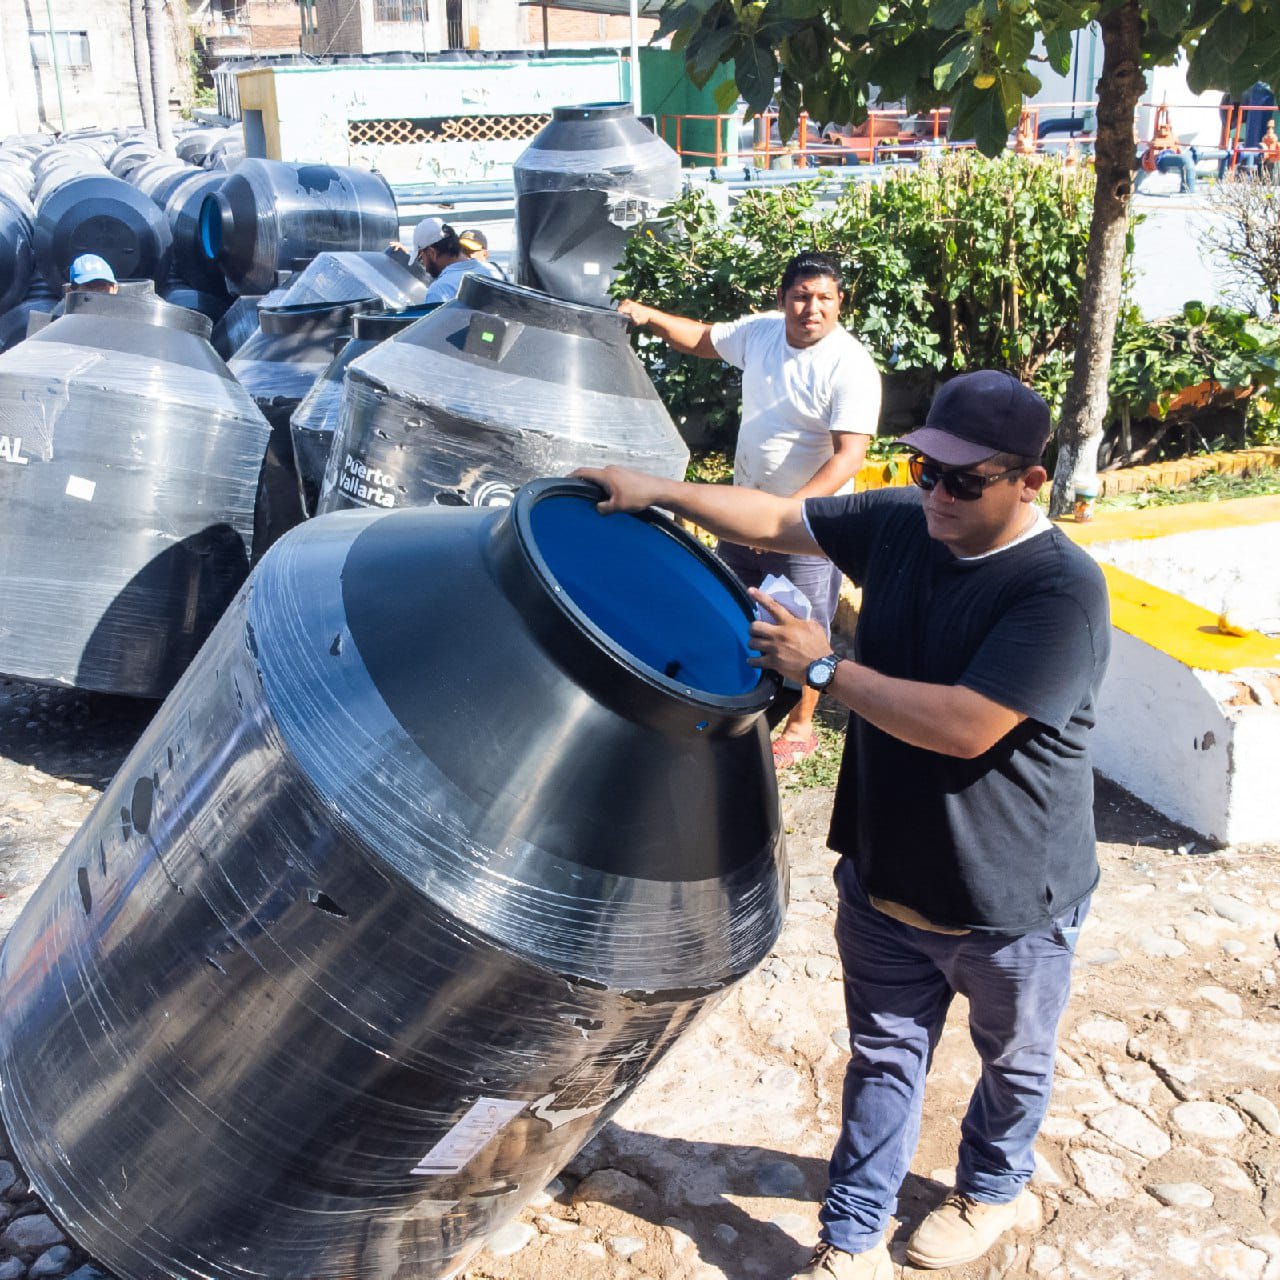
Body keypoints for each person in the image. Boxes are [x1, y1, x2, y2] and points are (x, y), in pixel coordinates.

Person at [576, 369, 1110, 1279]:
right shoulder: (907, 524)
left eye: (963, 480)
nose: (935, 492)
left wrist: (824, 672)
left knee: (1013, 1064)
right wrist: (657, 490)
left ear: (1030, 482)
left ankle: (991, 1186)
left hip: (1012, 900)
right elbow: (782, 519)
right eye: (923, 467)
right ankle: (852, 1238)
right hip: (886, 876)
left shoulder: (1059, 591)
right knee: (884, 1059)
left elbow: (964, 725)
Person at [617, 251, 881, 769]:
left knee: (804, 623)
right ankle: (730, 700)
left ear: (840, 303)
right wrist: (649, 315)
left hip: (806, 524)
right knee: (733, 606)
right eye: (802, 296)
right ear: (783, 299)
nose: (813, 308)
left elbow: (851, 454)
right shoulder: (761, 333)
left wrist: (783, 517)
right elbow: (701, 339)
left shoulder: (850, 365)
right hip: (743, 510)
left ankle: (803, 725)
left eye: (825, 298)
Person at [411, 216, 501, 303]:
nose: (425, 266)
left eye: (421, 258)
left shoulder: (440, 290)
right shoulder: (496, 271)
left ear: (432, 253)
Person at [1142, 111, 1196, 194]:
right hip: (1161, 157)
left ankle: (1187, 189)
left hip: (1163, 156)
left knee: (1186, 161)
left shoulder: (1171, 138)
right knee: (1186, 160)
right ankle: (1187, 189)